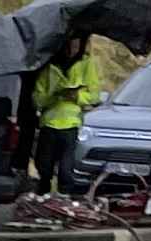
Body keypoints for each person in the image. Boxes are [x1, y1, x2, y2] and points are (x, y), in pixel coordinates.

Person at [29, 26, 107, 190]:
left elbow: (94, 96)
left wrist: (77, 97)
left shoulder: (86, 65)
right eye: (68, 46)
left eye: (75, 46)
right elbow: (37, 98)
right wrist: (54, 96)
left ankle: (64, 200)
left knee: (66, 171)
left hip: (71, 126)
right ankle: (43, 199)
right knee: (44, 168)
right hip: (49, 125)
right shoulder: (49, 67)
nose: (71, 50)